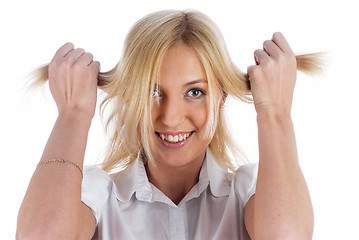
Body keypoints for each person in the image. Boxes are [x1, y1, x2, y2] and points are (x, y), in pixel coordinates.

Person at [16, 9, 321, 240]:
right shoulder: (94, 197)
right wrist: (72, 116)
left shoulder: (251, 192)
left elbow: (287, 235)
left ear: (221, 97)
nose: (171, 117)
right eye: (152, 91)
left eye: (195, 92)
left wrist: (275, 114)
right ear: (129, 97)